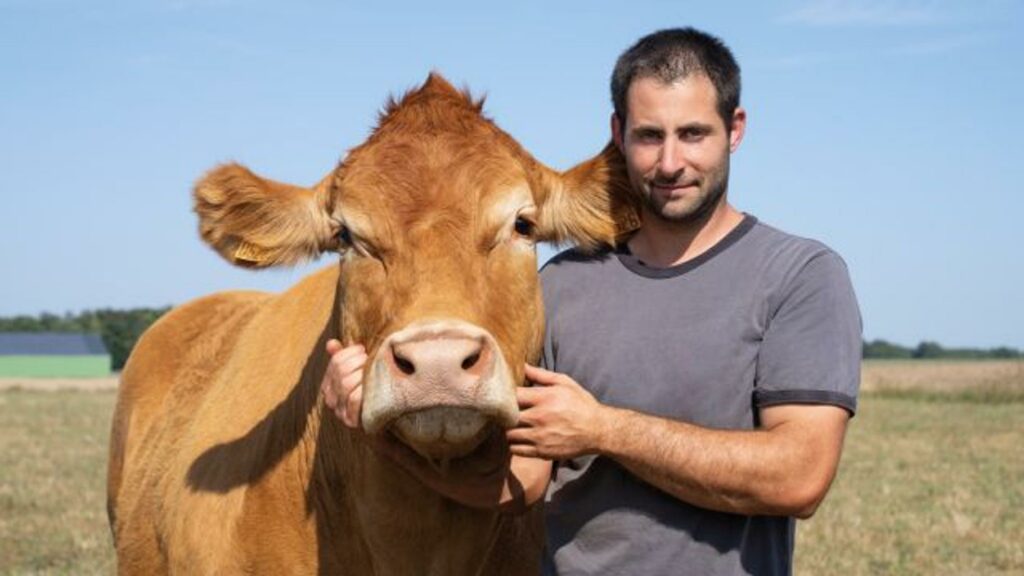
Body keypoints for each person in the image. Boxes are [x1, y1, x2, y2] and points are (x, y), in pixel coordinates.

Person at [322, 27, 861, 576]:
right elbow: (521, 483)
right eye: (650, 136)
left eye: (693, 134)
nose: (671, 162)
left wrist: (603, 429)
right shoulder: (558, 287)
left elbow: (800, 478)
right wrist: (375, 429)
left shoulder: (800, 275)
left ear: (735, 129)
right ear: (618, 134)